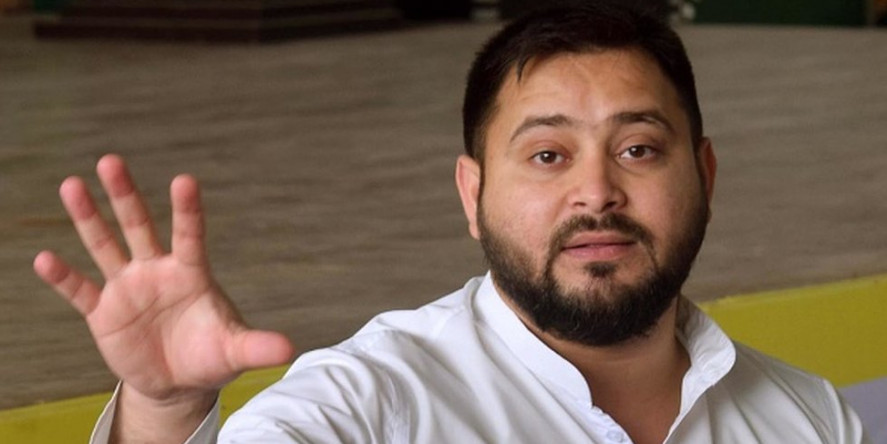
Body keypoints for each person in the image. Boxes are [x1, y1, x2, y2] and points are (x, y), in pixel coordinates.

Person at [34, 4, 868, 444]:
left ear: (704, 175)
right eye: (547, 155)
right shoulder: (373, 404)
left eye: (638, 149)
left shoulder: (808, 418)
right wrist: (164, 413)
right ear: (471, 195)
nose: (595, 192)